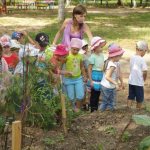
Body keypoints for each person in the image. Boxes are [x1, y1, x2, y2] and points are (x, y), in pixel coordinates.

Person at [99, 43, 125, 111]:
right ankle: (110, 114)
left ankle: (100, 113)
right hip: (109, 87)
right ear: (115, 56)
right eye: (120, 56)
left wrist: (121, 82)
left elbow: (118, 73)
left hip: (104, 86)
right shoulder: (112, 65)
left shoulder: (107, 61)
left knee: (105, 102)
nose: (120, 57)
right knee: (111, 103)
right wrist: (116, 83)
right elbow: (107, 77)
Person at [63, 38, 86, 112]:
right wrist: (61, 73)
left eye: (77, 50)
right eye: (74, 49)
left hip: (78, 79)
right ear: (70, 47)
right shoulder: (67, 56)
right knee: (70, 97)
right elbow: (61, 65)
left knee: (80, 95)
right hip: (68, 79)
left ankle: (78, 108)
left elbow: (82, 67)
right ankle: (71, 108)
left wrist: (84, 76)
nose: (75, 51)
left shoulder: (80, 56)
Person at [127, 40, 148, 109]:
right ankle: (138, 110)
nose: (145, 53)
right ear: (142, 50)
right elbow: (145, 71)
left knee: (131, 96)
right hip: (138, 82)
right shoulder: (142, 60)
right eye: (145, 51)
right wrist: (144, 79)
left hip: (131, 81)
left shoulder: (132, 57)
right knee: (140, 98)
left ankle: (128, 108)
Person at [88, 36, 106, 112]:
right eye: (100, 47)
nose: (102, 48)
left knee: (98, 93)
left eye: (102, 47)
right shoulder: (92, 57)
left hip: (100, 75)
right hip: (95, 76)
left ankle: (96, 107)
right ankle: (93, 108)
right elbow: (89, 68)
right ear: (95, 48)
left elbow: (103, 65)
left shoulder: (102, 55)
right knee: (94, 93)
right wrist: (91, 80)